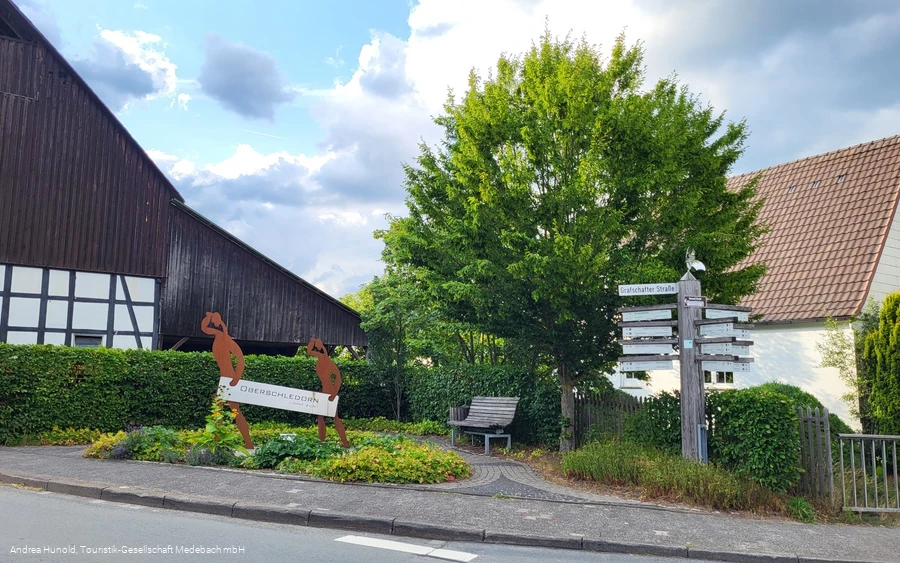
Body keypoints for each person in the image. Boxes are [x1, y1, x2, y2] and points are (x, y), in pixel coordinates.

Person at [201, 312, 253, 449]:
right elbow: (204, 328)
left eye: (214, 321)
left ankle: (247, 442)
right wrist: (208, 317)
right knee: (219, 409)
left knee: (233, 409)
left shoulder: (227, 340)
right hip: (223, 379)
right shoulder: (218, 337)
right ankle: (218, 439)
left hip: (228, 379)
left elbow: (241, 359)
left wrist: (236, 378)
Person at [307, 337, 350, 448]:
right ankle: (332, 441)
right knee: (323, 417)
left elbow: (338, 377)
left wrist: (334, 393)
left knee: (332, 417)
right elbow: (310, 352)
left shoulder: (326, 361)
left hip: (329, 392)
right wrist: (313, 343)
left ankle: (344, 442)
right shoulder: (322, 360)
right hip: (325, 391)